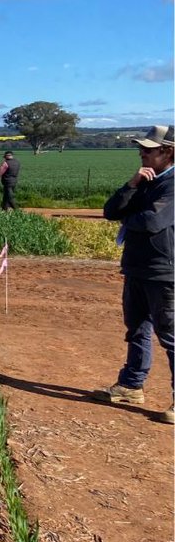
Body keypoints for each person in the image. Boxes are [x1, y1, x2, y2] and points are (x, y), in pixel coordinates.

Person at [94, 125, 174, 424]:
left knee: (170, 334)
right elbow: (110, 211)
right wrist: (131, 184)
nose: (141, 153)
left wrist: (128, 216)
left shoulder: (172, 184)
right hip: (138, 266)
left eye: (148, 150)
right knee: (137, 327)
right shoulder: (146, 180)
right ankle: (131, 385)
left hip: (165, 270)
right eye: (141, 148)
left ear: (167, 152)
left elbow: (152, 221)